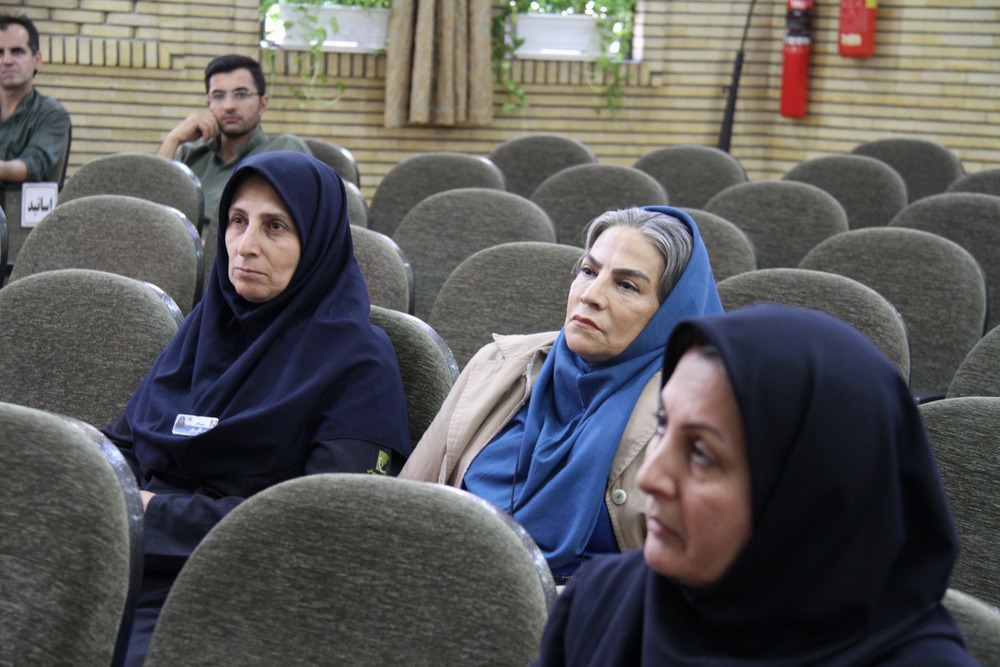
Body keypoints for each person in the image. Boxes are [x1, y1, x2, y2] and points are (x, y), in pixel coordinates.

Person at [534, 304, 978, 666]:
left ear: (808, 494)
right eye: (663, 425)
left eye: (701, 453)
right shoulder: (602, 603)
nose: (650, 477)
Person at [102, 150, 411, 665]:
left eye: (275, 227)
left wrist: (152, 513)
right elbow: (123, 443)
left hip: (236, 584)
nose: (246, 245)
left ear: (316, 242)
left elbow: (323, 526)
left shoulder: (357, 361)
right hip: (124, 552)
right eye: (237, 221)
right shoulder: (206, 326)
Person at [400, 206, 722, 581]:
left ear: (672, 312)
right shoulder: (497, 363)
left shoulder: (694, 418)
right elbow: (403, 502)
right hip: (438, 587)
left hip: (587, 612)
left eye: (626, 285)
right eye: (588, 271)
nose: (591, 295)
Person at [156, 54, 310, 226]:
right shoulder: (189, 154)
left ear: (263, 104)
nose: (228, 105)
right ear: (209, 104)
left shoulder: (285, 149)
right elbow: (150, 207)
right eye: (219, 95)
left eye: (241, 94)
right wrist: (173, 139)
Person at [0, 13, 70, 185]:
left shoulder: (53, 114)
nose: (6, 61)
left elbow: (32, 166)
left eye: (17, 51)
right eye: (0, 53)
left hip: (21, 202)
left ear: (37, 60)